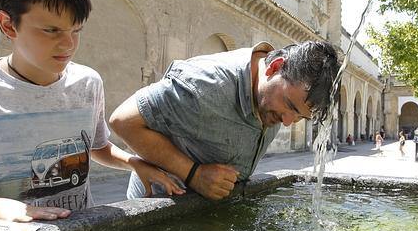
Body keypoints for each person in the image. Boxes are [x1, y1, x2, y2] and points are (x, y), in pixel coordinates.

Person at [0, 0, 183, 223]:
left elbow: (96, 147)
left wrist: (133, 163)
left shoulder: (88, 83)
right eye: (51, 30)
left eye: (76, 30)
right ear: (8, 25)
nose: (68, 45)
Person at [109, 41, 340, 200]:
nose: (288, 121)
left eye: (300, 116)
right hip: (160, 217)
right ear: (275, 67)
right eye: (289, 106)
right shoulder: (205, 85)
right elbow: (122, 120)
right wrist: (193, 174)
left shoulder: (273, 96)